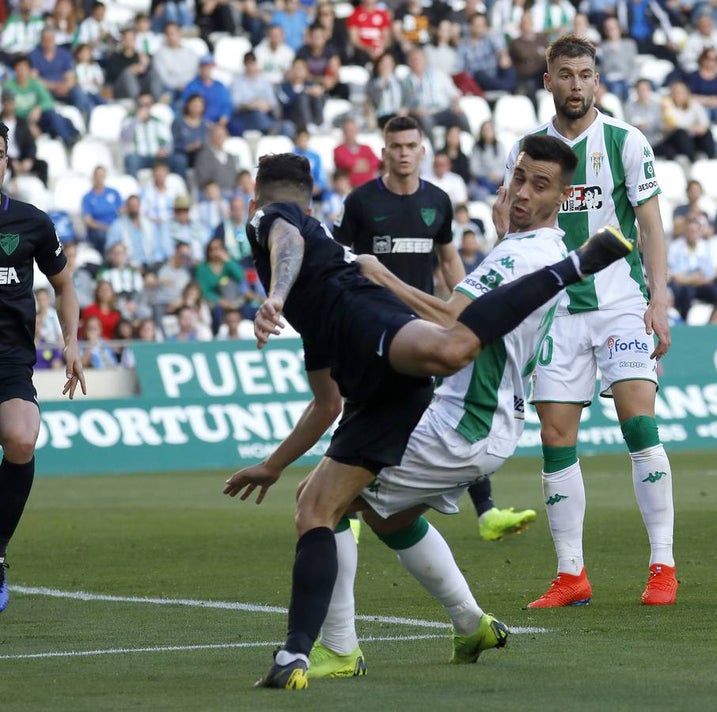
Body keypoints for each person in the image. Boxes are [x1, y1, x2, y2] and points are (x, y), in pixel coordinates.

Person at [220, 151, 632, 688]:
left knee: (323, 501)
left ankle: (337, 647)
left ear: (563, 198)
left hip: (466, 418)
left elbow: (456, 322)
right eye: (519, 180)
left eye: (540, 185)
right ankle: (470, 624)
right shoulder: (517, 246)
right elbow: (329, 400)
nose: (522, 194)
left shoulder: (524, 252)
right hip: (476, 416)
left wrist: (380, 276)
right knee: (386, 515)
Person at [506, 34, 677, 608]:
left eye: (585, 74)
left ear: (597, 81)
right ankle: (571, 574)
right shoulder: (528, 151)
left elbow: (651, 225)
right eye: (566, 74)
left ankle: (662, 564)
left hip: (621, 304)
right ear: (548, 81)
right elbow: (514, 225)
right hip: (556, 313)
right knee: (556, 439)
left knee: (639, 424)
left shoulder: (626, 140)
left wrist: (659, 300)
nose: (576, 85)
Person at [335, 115, 536, 540]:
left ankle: (486, 512)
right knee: (360, 407)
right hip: (374, 327)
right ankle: (345, 507)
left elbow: (448, 261)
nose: (404, 153)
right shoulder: (360, 203)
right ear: (384, 152)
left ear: (423, 151)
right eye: (396, 146)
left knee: (446, 409)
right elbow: (345, 265)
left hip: (424, 326)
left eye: (411, 145)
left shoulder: (438, 202)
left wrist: (463, 309)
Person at [0, 120, 87, 613]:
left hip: (10, 360)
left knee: (20, 437)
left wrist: (71, 341)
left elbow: (64, 286)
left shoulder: (31, 223)